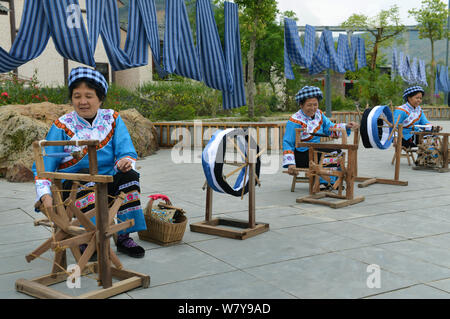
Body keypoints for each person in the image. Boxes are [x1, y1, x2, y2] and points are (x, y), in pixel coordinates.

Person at [32, 67, 146, 258]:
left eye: (89, 96)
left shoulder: (113, 119)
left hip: (107, 178)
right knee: (87, 186)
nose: (82, 102)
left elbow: (126, 151)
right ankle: (89, 238)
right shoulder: (62, 125)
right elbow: (44, 166)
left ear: (100, 98)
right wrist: (45, 195)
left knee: (130, 177)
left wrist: (125, 162)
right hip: (74, 184)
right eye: (77, 96)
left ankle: (124, 235)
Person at [282, 86, 359, 188]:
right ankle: (324, 182)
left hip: (314, 150)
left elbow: (330, 127)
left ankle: (332, 181)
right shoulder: (295, 120)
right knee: (329, 153)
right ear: (301, 105)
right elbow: (288, 142)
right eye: (309, 105)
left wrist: (346, 126)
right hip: (301, 155)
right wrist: (291, 164)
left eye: (315, 104)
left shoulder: (319, 114)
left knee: (337, 151)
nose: (313, 108)